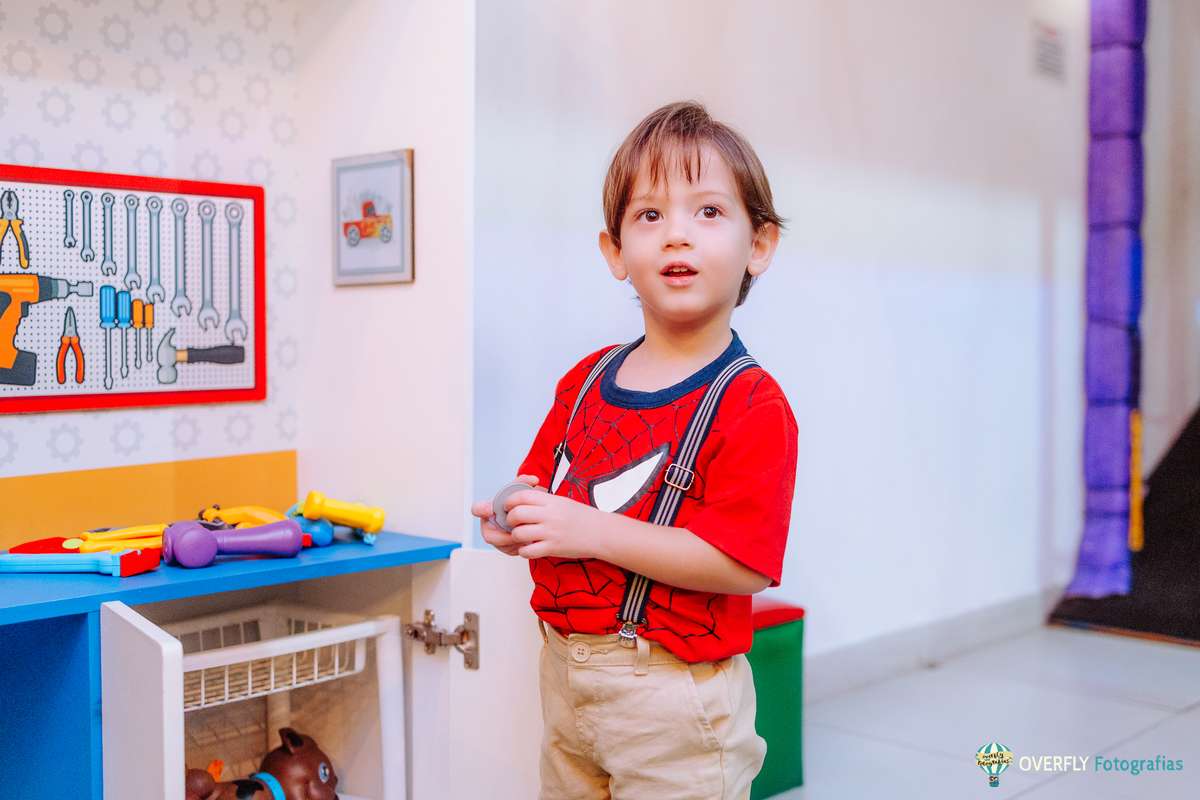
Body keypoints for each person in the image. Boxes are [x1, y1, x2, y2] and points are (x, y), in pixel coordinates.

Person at [471, 100, 798, 800]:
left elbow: (742, 565)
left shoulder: (752, 405)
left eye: (708, 212)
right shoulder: (584, 379)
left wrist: (589, 530)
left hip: (677, 701)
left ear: (759, 245)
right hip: (564, 678)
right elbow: (543, 481)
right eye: (650, 215)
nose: (676, 235)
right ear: (615, 251)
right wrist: (518, 515)